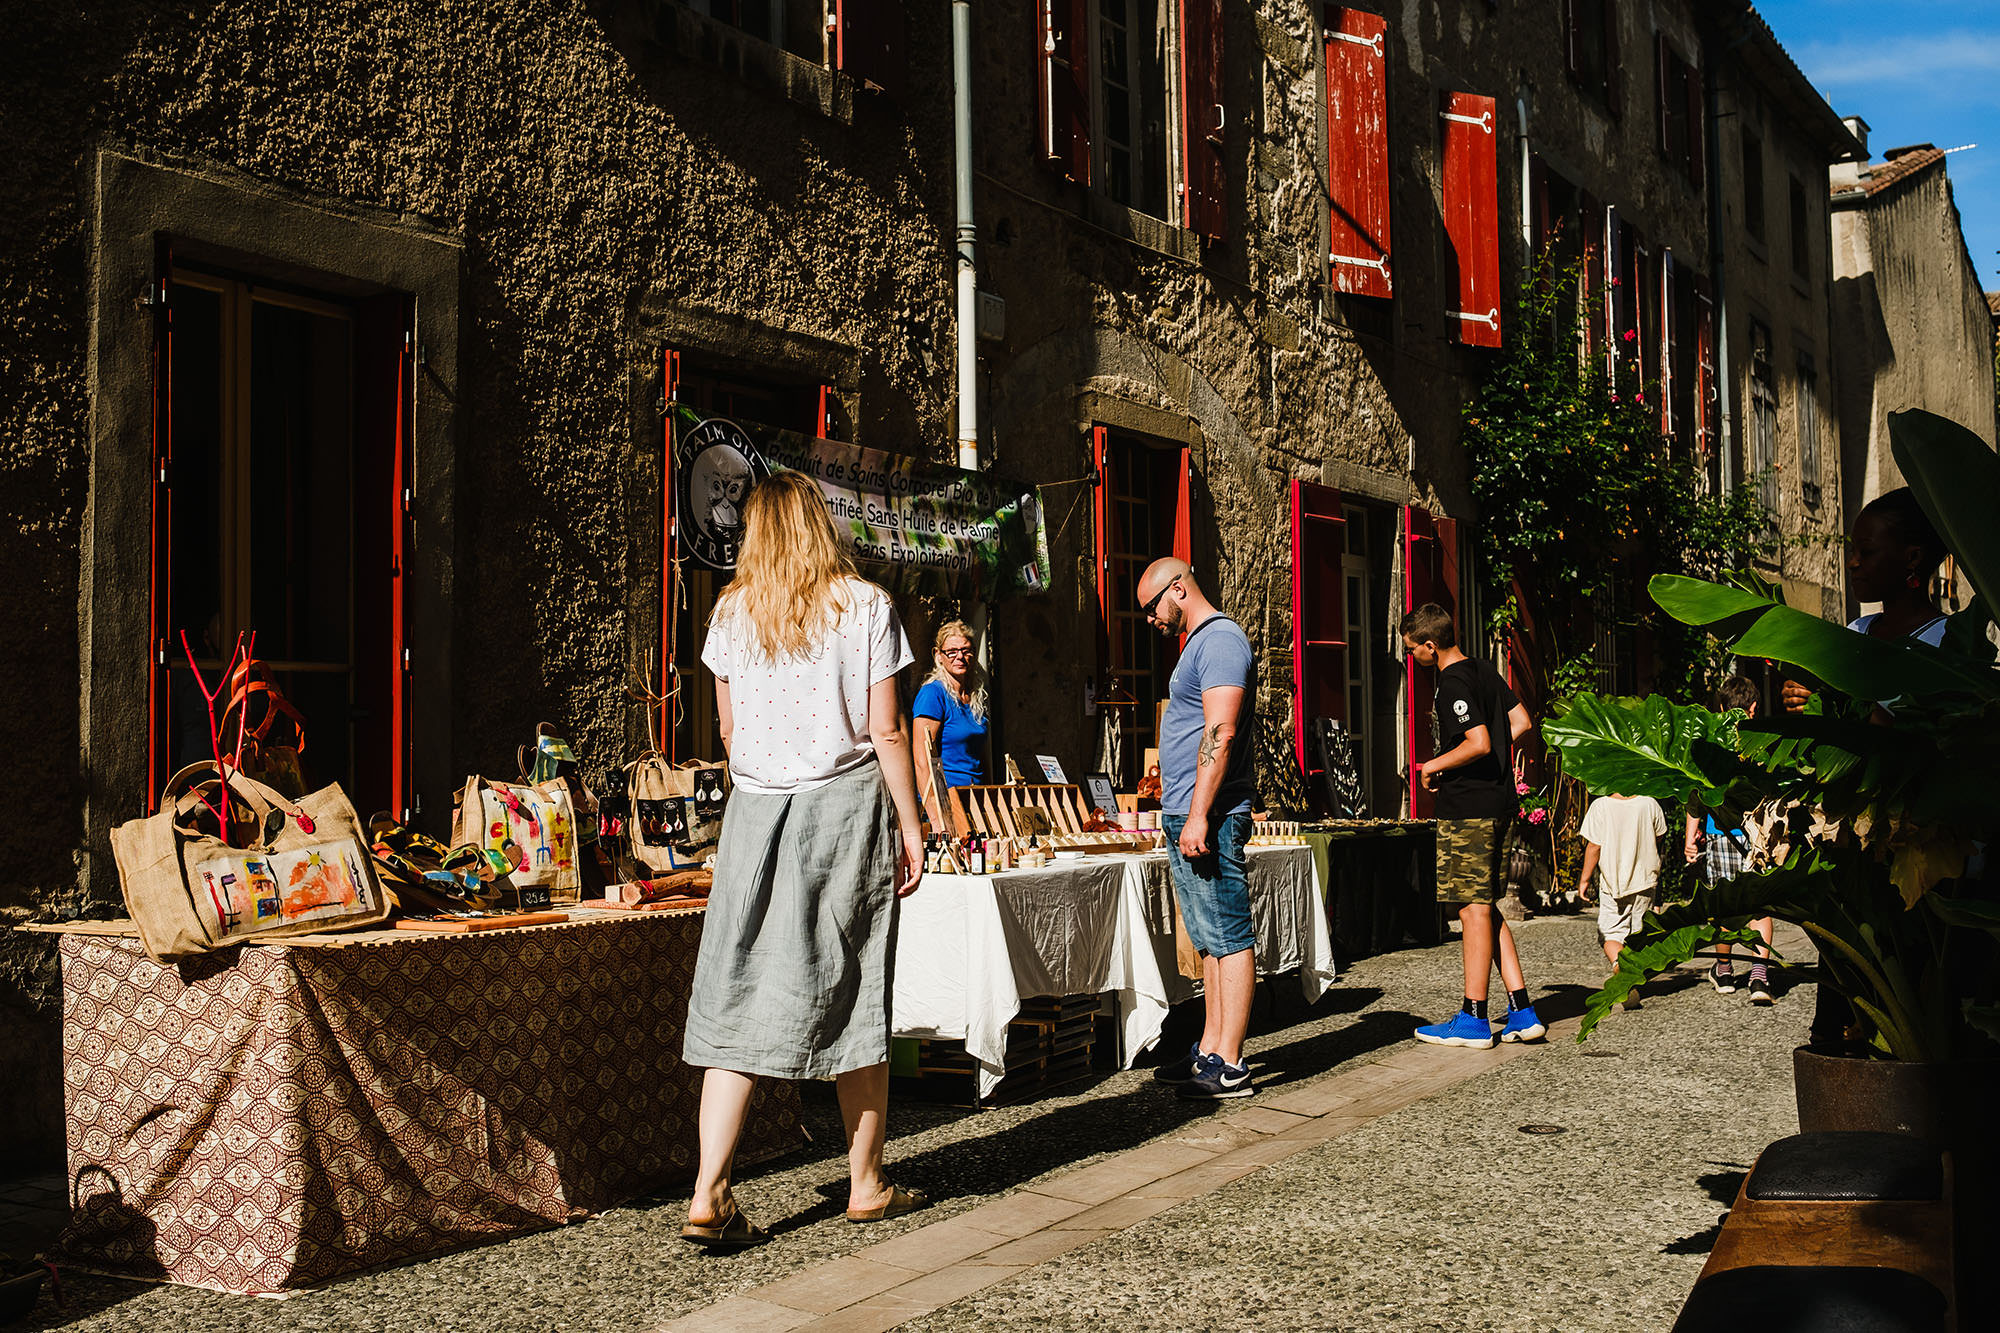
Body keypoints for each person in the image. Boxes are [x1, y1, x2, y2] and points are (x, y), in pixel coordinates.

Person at [680, 471, 928, 1248]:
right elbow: (886, 732)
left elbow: (723, 731)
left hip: (755, 813)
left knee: (737, 992)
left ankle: (708, 1188)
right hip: (842, 808)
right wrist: (912, 824)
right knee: (855, 990)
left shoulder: (729, 613)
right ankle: (865, 1181)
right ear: (822, 526)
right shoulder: (866, 606)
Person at [1782, 486, 1950, 1051]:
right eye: (1852, 548)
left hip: (1919, 855)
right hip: (1849, 852)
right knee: (1841, 1004)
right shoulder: (1852, 637)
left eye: (1867, 550)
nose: (1852, 561)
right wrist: (1808, 702)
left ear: (1912, 561)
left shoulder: (1950, 645)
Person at [1137, 557, 1261, 1100]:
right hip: (1188, 808)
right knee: (1209, 939)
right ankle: (1210, 1048)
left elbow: (1222, 729)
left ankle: (1229, 1063)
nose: (1149, 619)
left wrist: (1198, 814)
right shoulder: (1197, 645)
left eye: (1151, 607)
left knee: (1228, 935)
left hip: (1208, 813)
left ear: (1179, 589)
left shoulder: (1221, 640)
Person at [1401, 603, 1547, 1049]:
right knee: (1486, 904)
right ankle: (1522, 1011)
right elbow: (1519, 722)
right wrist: (1497, 753)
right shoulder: (1485, 670)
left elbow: (1478, 742)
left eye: (1413, 650)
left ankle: (1473, 1017)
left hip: (1469, 808)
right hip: (1501, 802)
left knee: (1470, 908)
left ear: (1431, 644)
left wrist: (1434, 765)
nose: (1413, 658)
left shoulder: (1453, 683)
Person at [1685, 674, 1773, 1004]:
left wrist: (1690, 837)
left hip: (1719, 836)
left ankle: (1724, 971)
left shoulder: (1711, 745)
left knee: (1724, 905)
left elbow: (1695, 794)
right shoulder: (1761, 743)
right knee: (1759, 908)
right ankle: (1760, 978)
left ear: (1721, 707)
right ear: (1753, 708)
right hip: (1758, 834)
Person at [1577, 787, 1669, 1008]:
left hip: (1613, 883)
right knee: (1636, 934)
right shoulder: (1650, 802)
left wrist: (1584, 879)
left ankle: (1622, 972)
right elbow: (1659, 836)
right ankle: (1631, 973)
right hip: (1646, 880)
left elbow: (1594, 846)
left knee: (1610, 935)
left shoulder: (1600, 807)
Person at [912, 620, 989, 828]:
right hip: (946, 803)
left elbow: (980, 755)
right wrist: (937, 816)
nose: (960, 657)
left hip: (975, 800)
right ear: (938, 655)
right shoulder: (933, 694)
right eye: (952, 651)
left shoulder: (975, 697)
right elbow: (922, 759)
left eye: (965, 650)